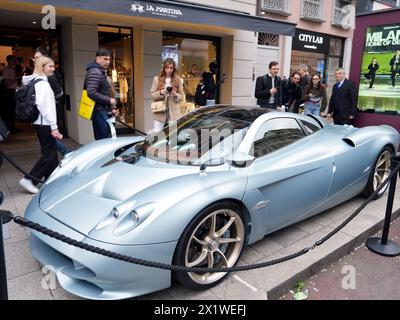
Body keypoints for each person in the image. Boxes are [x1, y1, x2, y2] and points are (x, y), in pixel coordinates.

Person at [18, 56, 63, 194]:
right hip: (45, 124)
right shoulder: (42, 84)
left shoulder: (37, 81)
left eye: (53, 66)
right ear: (42, 67)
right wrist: (54, 127)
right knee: (48, 154)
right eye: (50, 66)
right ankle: (29, 179)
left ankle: (52, 180)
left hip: (40, 123)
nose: (53, 68)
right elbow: (46, 107)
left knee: (51, 153)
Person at [33, 48, 70, 156]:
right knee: (47, 148)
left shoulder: (49, 77)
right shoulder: (37, 76)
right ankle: (66, 154)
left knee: (48, 147)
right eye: (34, 58)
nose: (35, 60)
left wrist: (49, 99)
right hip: (40, 118)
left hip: (46, 117)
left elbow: (59, 93)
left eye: (37, 57)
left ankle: (67, 153)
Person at [85, 48, 119, 140]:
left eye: (109, 59)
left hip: (102, 110)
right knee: (103, 141)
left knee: (105, 139)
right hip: (99, 111)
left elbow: (103, 91)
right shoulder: (95, 71)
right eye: (105, 59)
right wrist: (110, 100)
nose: (108, 62)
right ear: (98, 58)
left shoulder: (99, 71)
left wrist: (111, 108)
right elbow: (91, 92)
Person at [150, 58, 184, 130]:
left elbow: (181, 96)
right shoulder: (157, 79)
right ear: (164, 68)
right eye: (167, 67)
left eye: (171, 68)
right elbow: (152, 95)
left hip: (174, 113)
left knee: (173, 136)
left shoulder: (178, 80)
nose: (169, 70)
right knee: (157, 134)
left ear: (174, 69)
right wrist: (162, 92)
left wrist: (175, 94)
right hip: (160, 111)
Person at [3, 55, 18, 132]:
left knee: (13, 109)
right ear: (9, 60)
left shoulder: (12, 69)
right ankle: (10, 128)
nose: (14, 61)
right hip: (9, 91)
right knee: (10, 110)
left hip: (13, 91)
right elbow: (6, 83)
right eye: (13, 60)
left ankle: (13, 127)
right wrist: (16, 78)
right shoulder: (6, 70)